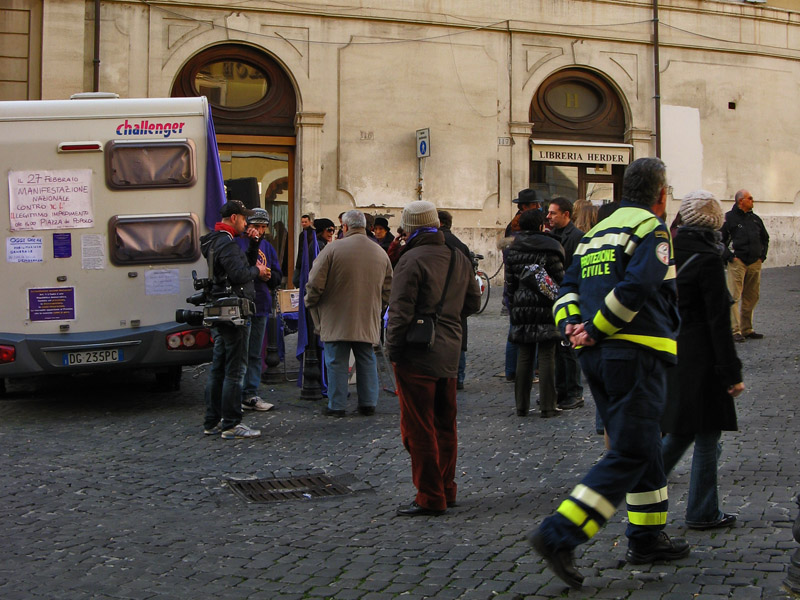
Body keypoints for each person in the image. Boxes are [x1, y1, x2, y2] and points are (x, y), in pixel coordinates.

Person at [529, 158, 688, 590]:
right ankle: (558, 534)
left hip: (597, 358)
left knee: (644, 444)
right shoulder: (652, 230)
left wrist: (573, 328)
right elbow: (637, 288)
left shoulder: (597, 233)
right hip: (635, 353)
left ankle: (647, 536)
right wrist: (596, 330)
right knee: (632, 452)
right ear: (661, 194)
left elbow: (567, 289)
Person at [387, 201, 481, 516]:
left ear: (409, 228)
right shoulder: (459, 257)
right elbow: (472, 302)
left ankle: (430, 495)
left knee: (418, 427)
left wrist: (393, 350)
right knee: (445, 424)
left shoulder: (410, 260)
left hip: (417, 353)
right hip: (451, 351)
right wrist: (449, 320)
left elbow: (399, 312)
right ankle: (447, 488)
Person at [661, 190, 745, 531]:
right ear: (714, 222)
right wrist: (731, 373)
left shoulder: (669, 250)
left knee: (682, 430)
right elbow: (718, 323)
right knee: (707, 433)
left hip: (671, 349)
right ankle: (702, 510)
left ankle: (642, 483)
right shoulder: (709, 257)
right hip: (702, 357)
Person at [305, 210, 393, 417]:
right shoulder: (380, 252)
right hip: (367, 314)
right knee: (366, 357)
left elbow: (315, 283)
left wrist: (311, 303)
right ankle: (368, 403)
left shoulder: (332, 249)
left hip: (336, 314)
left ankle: (336, 405)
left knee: (336, 359)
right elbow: (389, 288)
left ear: (345, 227)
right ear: (365, 227)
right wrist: (377, 307)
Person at [200, 200, 270, 440]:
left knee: (218, 368)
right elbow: (241, 273)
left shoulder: (214, 240)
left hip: (221, 311)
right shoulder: (226, 243)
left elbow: (243, 265)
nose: (246, 222)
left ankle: (213, 421)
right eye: (243, 218)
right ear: (233, 218)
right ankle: (231, 423)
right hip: (234, 314)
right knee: (234, 371)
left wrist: (254, 243)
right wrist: (258, 272)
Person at [505, 209, 565, 417]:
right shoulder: (551, 246)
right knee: (547, 354)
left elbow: (510, 282)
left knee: (525, 353)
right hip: (546, 304)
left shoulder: (513, 247)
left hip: (522, 304)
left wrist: (513, 305)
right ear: (541, 225)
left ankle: (521, 405)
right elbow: (559, 277)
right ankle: (548, 405)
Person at [235, 208, 282, 412]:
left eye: (263, 227)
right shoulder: (237, 244)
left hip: (261, 303)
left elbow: (278, 276)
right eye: (256, 226)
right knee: (240, 352)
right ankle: (235, 394)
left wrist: (269, 277)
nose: (260, 231)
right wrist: (256, 273)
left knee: (255, 353)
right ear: (248, 225)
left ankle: (251, 393)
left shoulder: (268, 248)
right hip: (241, 304)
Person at [502, 188, 545, 380]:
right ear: (525, 207)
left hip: (515, 285)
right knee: (520, 330)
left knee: (516, 329)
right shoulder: (518, 229)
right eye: (535, 205)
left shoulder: (513, 228)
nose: (539, 207)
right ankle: (519, 370)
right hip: (521, 284)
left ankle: (513, 370)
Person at [547, 197, 585, 411]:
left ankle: (573, 392)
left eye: (553, 213)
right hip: (554, 299)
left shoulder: (578, 237)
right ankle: (560, 390)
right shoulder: (551, 237)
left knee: (568, 348)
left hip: (570, 297)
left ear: (566, 214)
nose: (549, 217)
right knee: (556, 348)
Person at [720, 189, 769, 343]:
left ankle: (747, 329)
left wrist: (762, 256)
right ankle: (735, 330)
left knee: (752, 296)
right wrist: (730, 257)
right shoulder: (729, 218)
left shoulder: (755, 219)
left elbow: (765, 238)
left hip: (755, 262)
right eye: (750, 198)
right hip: (738, 262)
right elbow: (719, 241)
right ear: (740, 201)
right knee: (734, 296)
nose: (752, 200)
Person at [437, 210, 471, 390]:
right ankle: (459, 377)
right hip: (459, 297)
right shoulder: (460, 244)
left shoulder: (436, 243)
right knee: (459, 338)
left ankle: (446, 376)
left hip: (440, 297)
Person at [292, 214, 315, 287]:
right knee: (296, 280)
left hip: (308, 261)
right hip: (301, 261)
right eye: (302, 222)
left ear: (309, 222)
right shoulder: (302, 234)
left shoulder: (312, 233)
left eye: (305, 222)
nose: (304, 224)